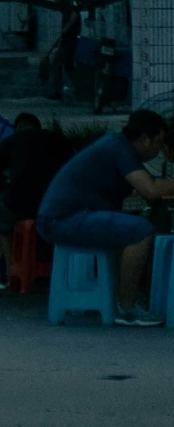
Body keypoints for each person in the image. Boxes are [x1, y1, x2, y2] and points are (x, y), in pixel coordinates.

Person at [37, 110, 174, 322]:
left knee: (130, 227)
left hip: (67, 217)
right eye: (159, 142)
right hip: (63, 219)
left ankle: (118, 298)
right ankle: (127, 308)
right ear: (145, 139)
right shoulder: (119, 148)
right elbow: (151, 189)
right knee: (140, 231)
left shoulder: (117, 145)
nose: (160, 149)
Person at [0, 112, 71, 287]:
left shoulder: (11, 141)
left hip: (20, 205)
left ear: (17, 129)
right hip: (55, 206)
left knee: (4, 224)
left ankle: (12, 273)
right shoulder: (59, 140)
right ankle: (56, 271)